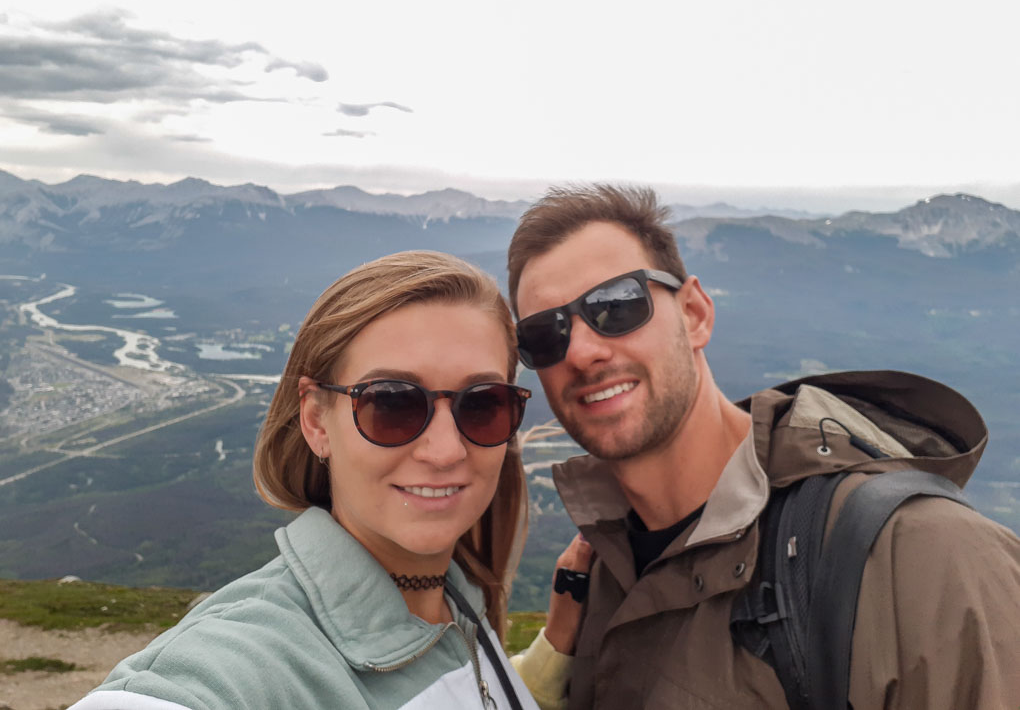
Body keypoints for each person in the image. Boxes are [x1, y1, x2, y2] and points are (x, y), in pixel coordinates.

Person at [506, 184, 1020, 709]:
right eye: (547, 335)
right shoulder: (600, 579)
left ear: (696, 314)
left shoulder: (920, 557)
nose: (584, 350)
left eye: (616, 305)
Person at [70, 250, 551, 710]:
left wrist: (556, 655)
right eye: (391, 402)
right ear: (317, 421)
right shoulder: (252, 663)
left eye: (485, 402)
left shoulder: (456, 599)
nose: (446, 450)